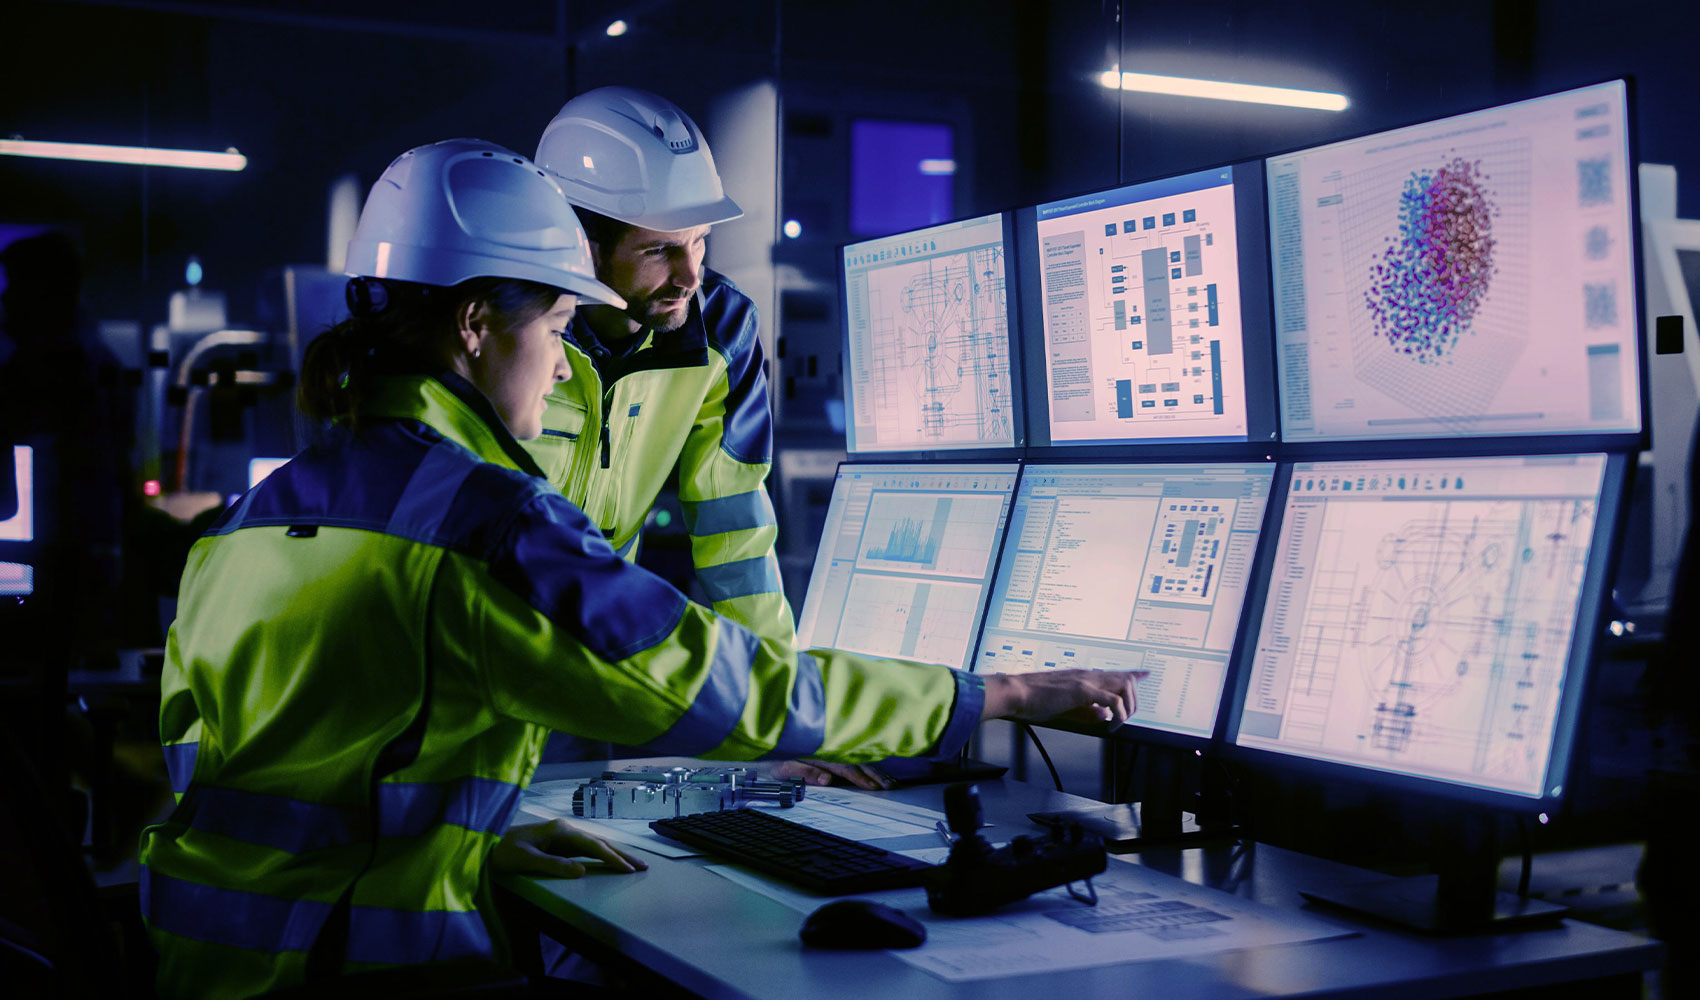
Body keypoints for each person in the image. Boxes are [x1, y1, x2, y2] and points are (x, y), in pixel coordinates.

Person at [138, 138, 1142, 998]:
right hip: (362, 969)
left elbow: (257, 770)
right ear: (477, 325)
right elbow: (719, 684)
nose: (560, 365)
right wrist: (998, 691)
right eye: (558, 328)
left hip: (202, 960)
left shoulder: (253, 519)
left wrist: (470, 847)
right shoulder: (483, 521)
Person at [527, 87, 878, 787]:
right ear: (579, 245)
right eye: (658, 250)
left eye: (700, 242)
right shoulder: (512, 330)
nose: (690, 275)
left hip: (577, 674)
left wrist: (781, 725)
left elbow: (735, 539)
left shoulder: (720, 329)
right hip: (467, 660)